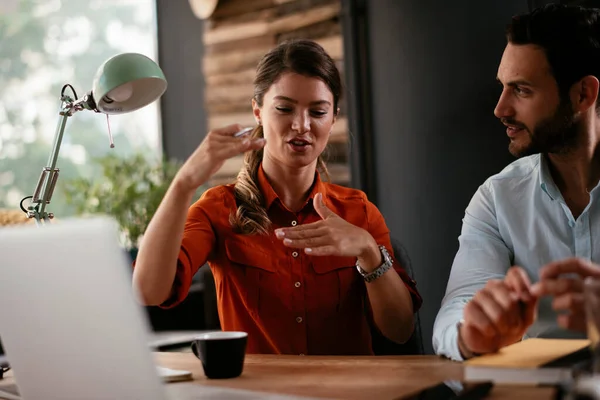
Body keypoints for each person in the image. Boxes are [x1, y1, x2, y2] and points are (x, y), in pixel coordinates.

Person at [132, 39, 421, 355]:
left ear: (334, 117)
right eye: (284, 109)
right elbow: (148, 292)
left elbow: (400, 331)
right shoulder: (219, 210)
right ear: (257, 110)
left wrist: (368, 251)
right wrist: (184, 184)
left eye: (318, 111)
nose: (301, 125)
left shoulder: (359, 212)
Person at [433, 4, 600, 361]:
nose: (500, 108)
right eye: (503, 88)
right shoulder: (497, 198)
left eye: (522, 90)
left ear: (583, 94)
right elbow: (458, 307)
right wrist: (470, 335)